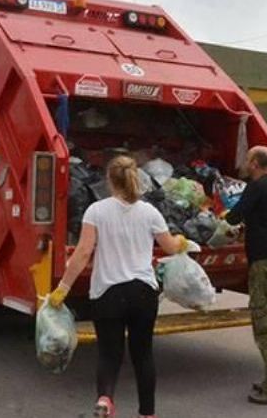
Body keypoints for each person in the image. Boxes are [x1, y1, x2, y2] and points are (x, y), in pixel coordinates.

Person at [47, 155, 187, 418]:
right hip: (143, 292)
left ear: (109, 180)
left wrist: (63, 288)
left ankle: (105, 400)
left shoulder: (97, 211)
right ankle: (147, 413)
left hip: (107, 293)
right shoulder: (149, 211)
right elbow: (169, 247)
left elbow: (83, 252)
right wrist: (181, 242)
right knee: (142, 355)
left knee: (109, 354)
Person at [225, 145, 267, 405]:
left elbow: (235, 216)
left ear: (255, 163)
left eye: (247, 159)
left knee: (264, 324)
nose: (244, 163)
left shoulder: (256, 186)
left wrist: (222, 219)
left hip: (265, 264)